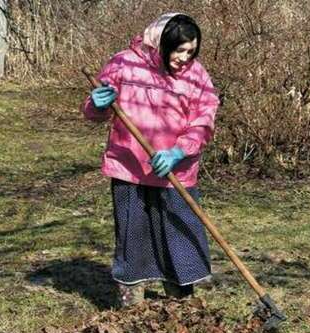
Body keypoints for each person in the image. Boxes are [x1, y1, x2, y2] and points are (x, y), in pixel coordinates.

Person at [81, 13, 220, 307]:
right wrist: (97, 103)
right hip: (130, 167)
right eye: (178, 49)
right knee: (133, 234)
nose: (184, 58)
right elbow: (94, 113)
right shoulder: (124, 64)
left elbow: (204, 121)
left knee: (178, 230)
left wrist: (179, 151)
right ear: (160, 43)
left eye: (190, 51)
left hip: (175, 171)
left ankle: (181, 299)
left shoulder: (197, 76)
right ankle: (132, 301)